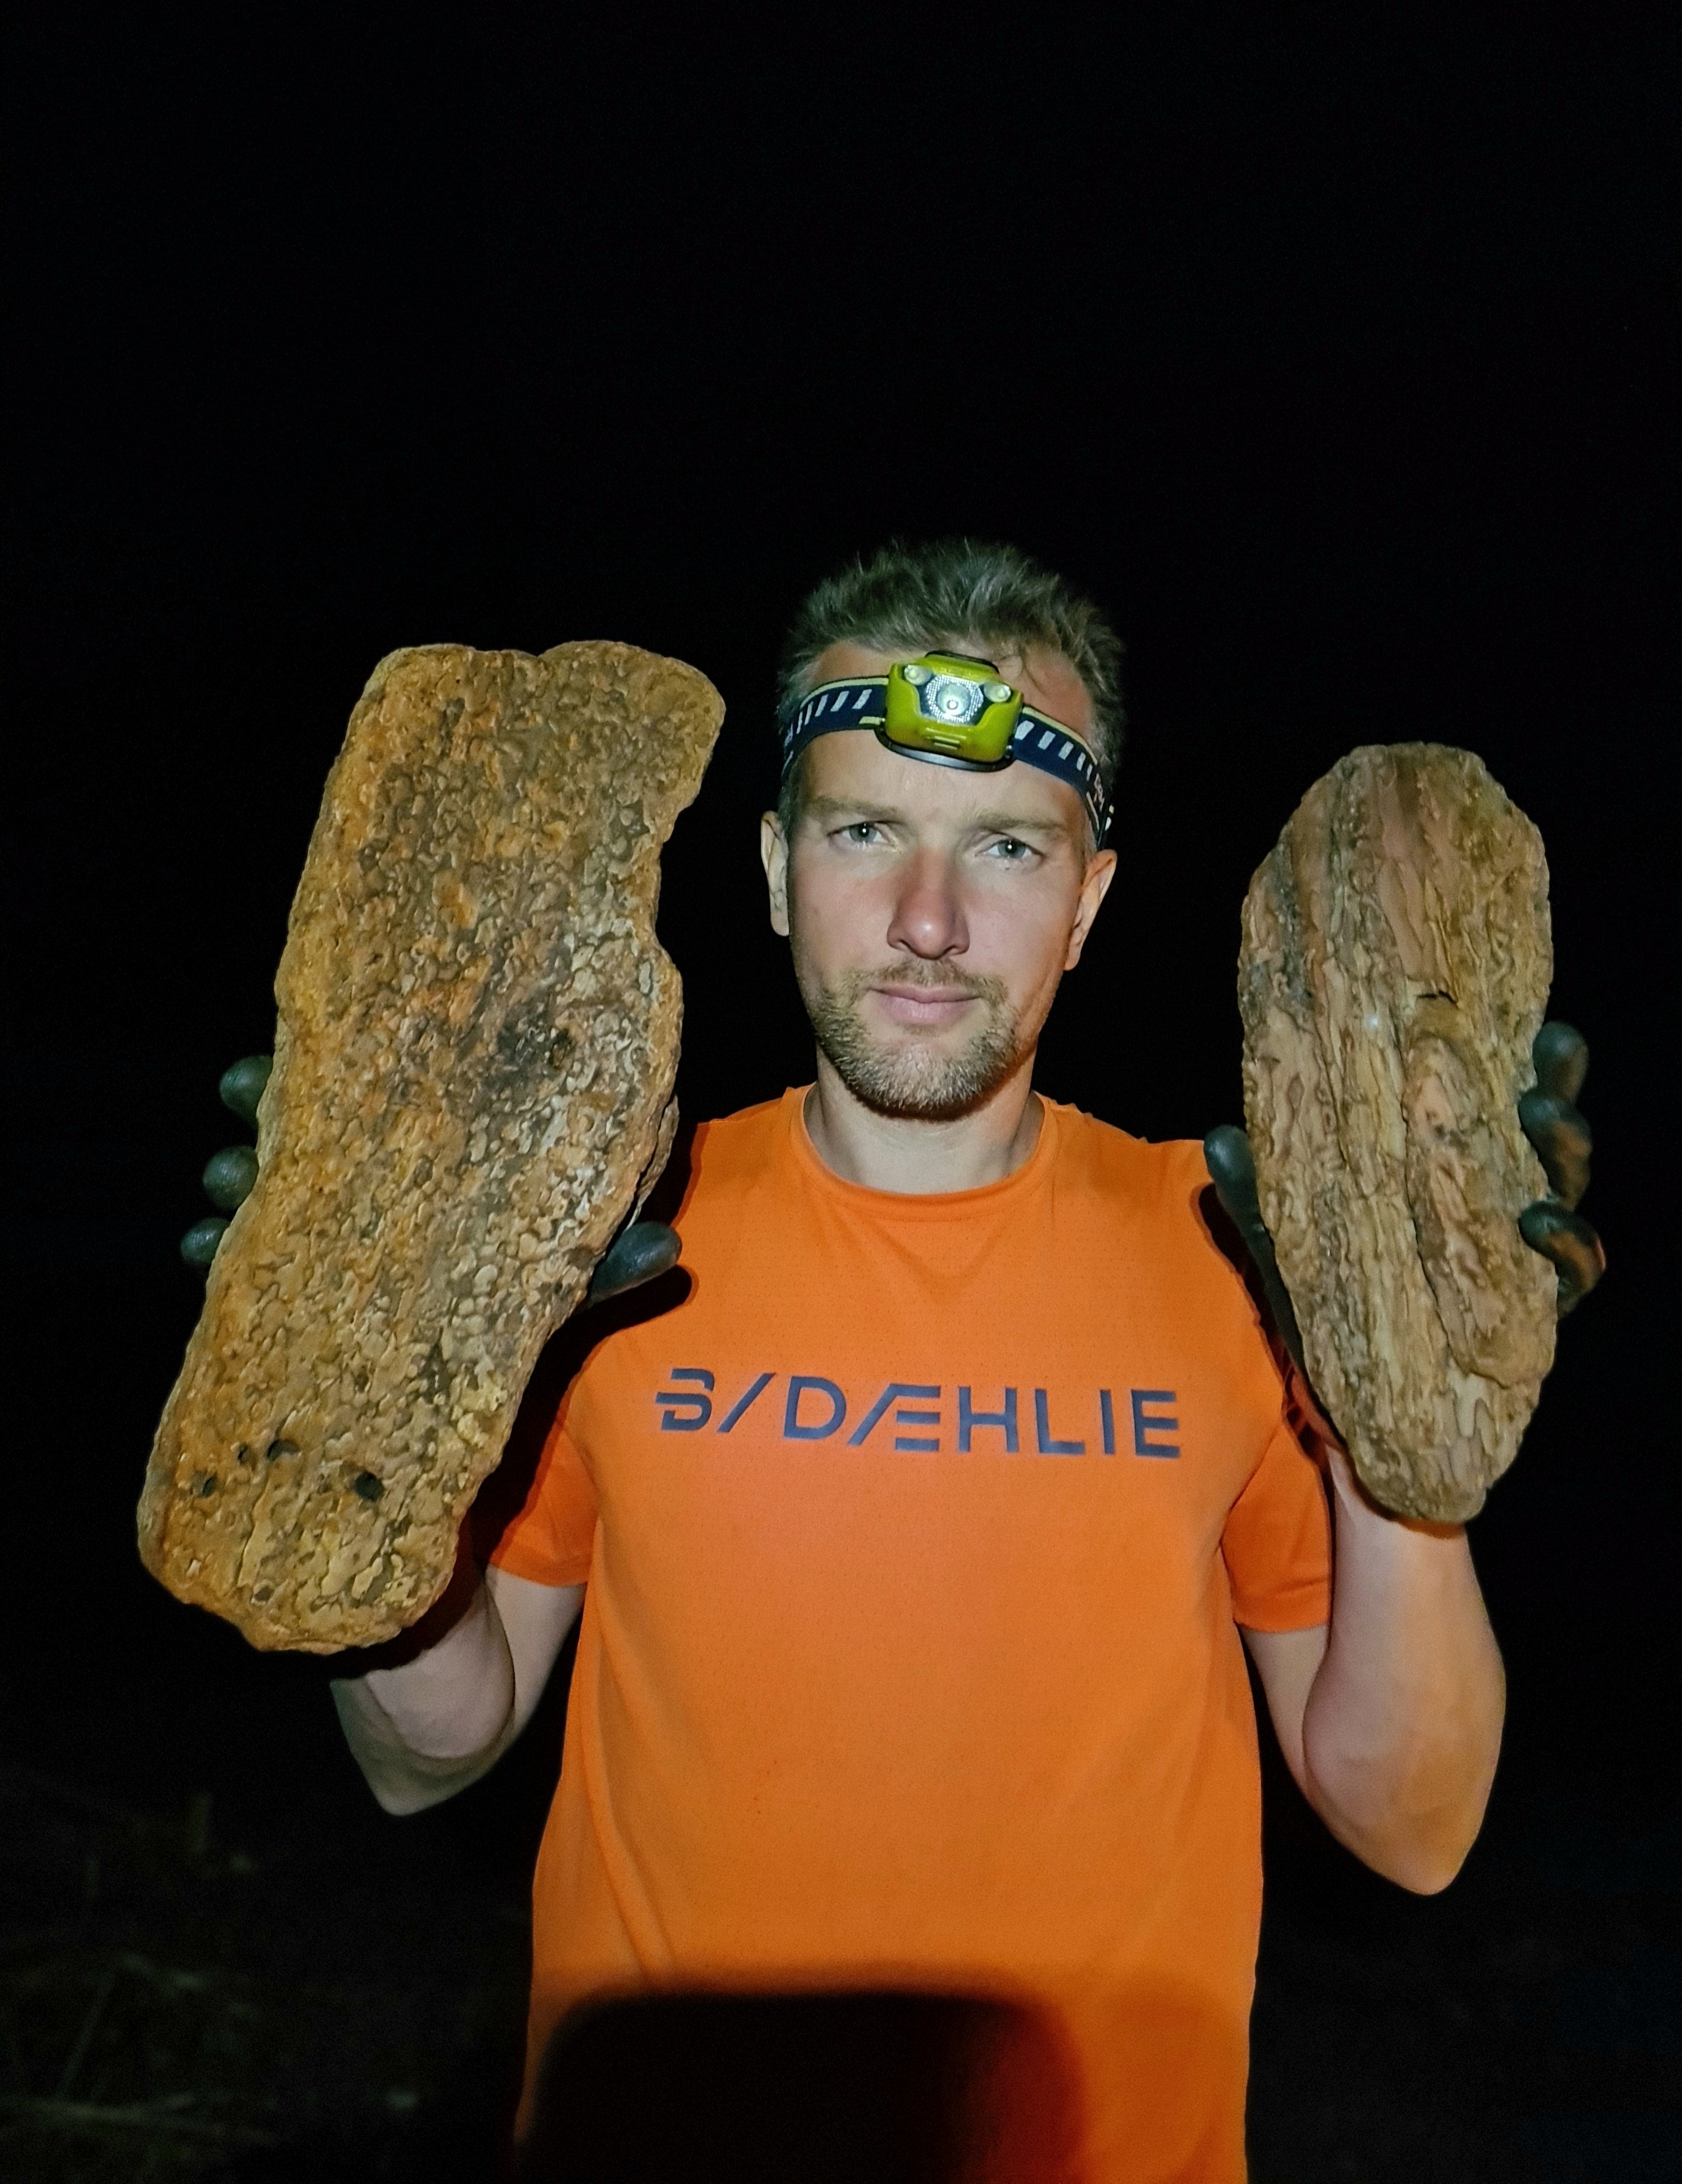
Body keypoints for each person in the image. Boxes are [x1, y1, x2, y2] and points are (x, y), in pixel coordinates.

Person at [204, 541, 1602, 2181]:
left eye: (1005, 846)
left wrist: (1402, 1415)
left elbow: (1411, 1827)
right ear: (777, 868)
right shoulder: (593, 1242)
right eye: (865, 831)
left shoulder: (1243, 1255)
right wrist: (362, 1393)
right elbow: (424, 1756)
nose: (929, 922)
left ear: (1086, 904)